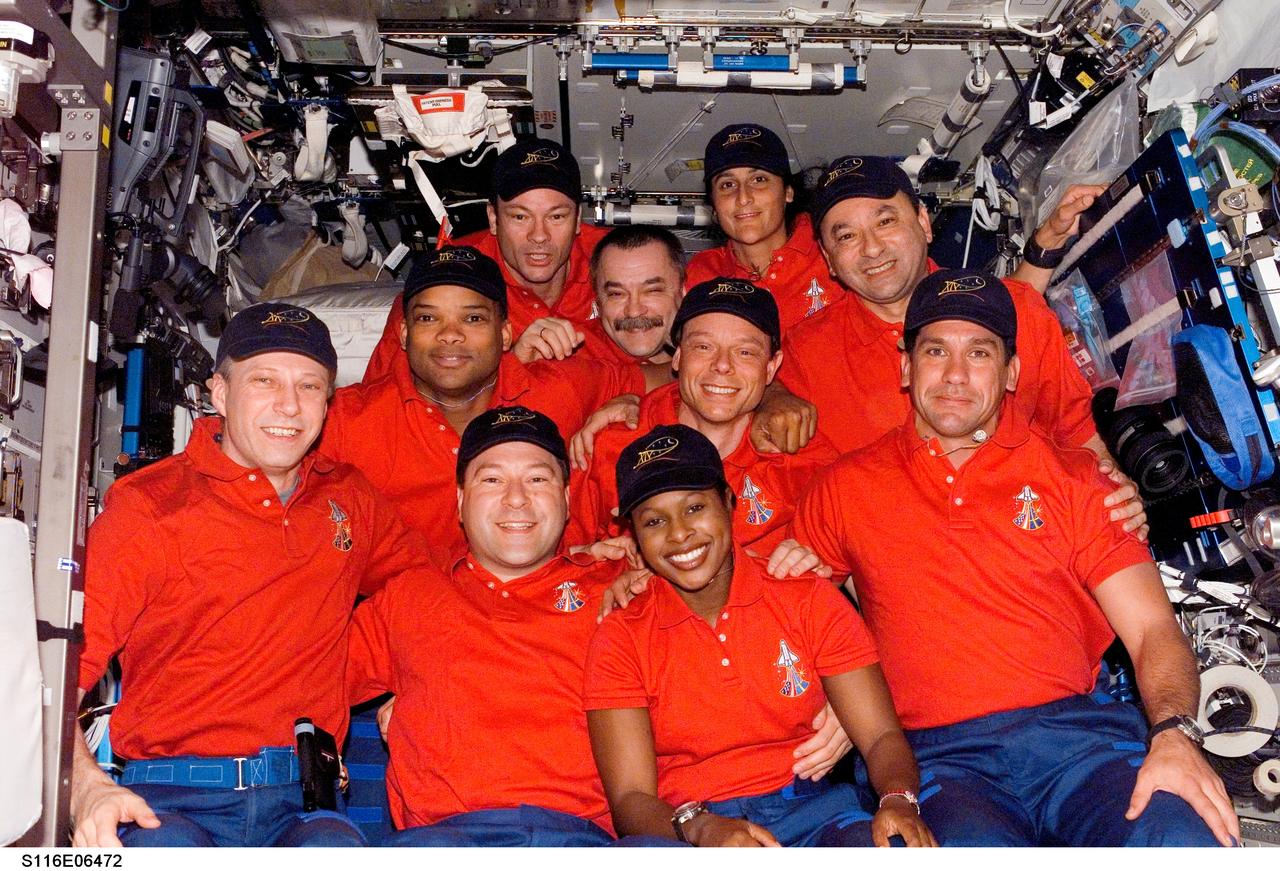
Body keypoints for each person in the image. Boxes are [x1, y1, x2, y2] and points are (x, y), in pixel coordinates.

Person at [792, 269, 1236, 847]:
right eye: (934, 351)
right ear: (905, 367)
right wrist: (833, 695)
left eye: (979, 353)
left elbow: (1153, 629)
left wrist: (1175, 734)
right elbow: (788, 611)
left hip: (1081, 742)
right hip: (937, 762)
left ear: (1011, 374)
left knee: (1179, 837)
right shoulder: (843, 488)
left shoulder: (1077, 479)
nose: (955, 375)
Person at [71, 303, 423, 847]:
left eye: (310, 387)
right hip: (171, 800)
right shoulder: (150, 506)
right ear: (218, 392)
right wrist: (86, 785)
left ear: (328, 404)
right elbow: (61, 668)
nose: (289, 405)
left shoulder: (349, 498)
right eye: (264, 380)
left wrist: (415, 680)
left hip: (303, 804)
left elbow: (424, 593)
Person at [583, 424, 936, 848]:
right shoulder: (623, 634)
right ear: (635, 539)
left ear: (728, 502)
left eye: (695, 508)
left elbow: (880, 736)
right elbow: (630, 799)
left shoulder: (805, 596)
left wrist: (898, 799)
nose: (679, 534)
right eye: (654, 521)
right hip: (687, 826)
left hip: (813, 812)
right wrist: (700, 828)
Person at [343, 407, 674, 845]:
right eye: (492, 479)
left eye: (537, 479)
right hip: (442, 841)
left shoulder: (620, 589)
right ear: (460, 501)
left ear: (568, 498)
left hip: (582, 839)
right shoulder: (410, 595)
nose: (516, 498)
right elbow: (297, 682)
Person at [783, 154, 1146, 537]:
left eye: (885, 221)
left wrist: (1119, 502)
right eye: (846, 236)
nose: (871, 248)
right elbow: (825, 515)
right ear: (829, 260)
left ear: (923, 222)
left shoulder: (1018, 311)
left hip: (1042, 549)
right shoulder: (805, 357)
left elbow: (1078, 438)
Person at [320, 246, 647, 565]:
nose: (449, 335)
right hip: (403, 610)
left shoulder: (557, 388)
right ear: (404, 334)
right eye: (429, 318)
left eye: (473, 318)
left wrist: (628, 400)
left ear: (505, 334)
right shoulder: (345, 422)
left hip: (545, 605)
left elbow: (678, 379)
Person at [571, 277, 837, 556]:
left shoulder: (807, 463)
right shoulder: (610, 442)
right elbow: (560, 567)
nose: (722, 365)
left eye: (745, 352)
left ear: (771, 367)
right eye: (703, 347)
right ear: (677, 356)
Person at [364, 137, 607, 382]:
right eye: (520, 217)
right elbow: (383, 399)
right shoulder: (445, 276)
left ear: (577, 220)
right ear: (493, 218)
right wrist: (511, 364)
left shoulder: (620, 261)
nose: (539, 236)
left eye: (556, 217)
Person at [686, 124, 835, 331]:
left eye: (758, 180)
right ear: (714, 207)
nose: (743, 197)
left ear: (788, 192)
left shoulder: (832, 249)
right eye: (727, 185)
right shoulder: (700, 274)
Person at [515, 225, 684, 370]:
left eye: (652, 291)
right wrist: (517, 366)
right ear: (598, 303)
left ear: (683, 292)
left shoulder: (706, 353)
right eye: (616, 294)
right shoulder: (567, 354)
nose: (633, 311)